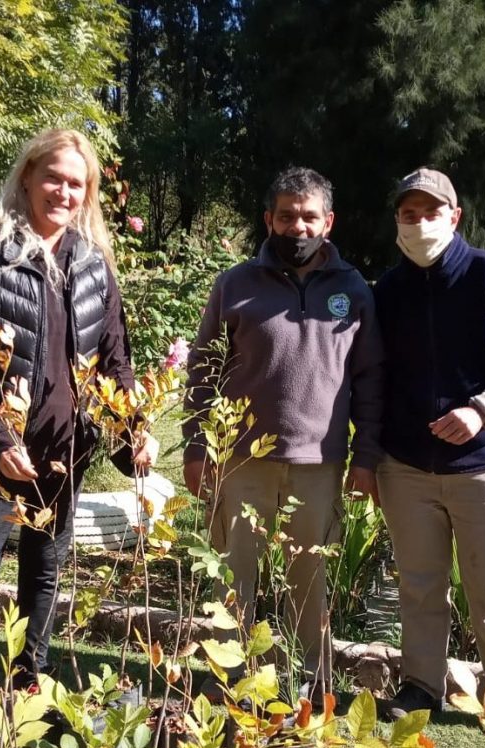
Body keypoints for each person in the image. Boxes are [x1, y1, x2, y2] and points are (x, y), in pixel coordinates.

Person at [0, 127, 151, 695]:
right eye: (53, 178)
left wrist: (134, 431)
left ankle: (31, 680)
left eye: (77, 184)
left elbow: (114, 361)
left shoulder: (93, 262)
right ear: (27, 176)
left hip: (64, 452)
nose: (64, 192)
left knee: (44, 573)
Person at [183, 167, 383, 696]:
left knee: (309, 583)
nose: (299, 227)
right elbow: (203, 368)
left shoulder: (353, 290)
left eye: (309, 217)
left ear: (328, 222)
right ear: (269, 219)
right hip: (241, 460)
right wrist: (197, 446)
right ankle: (229, 681)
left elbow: (369, 380)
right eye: (288, 216)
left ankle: (312, 683)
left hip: (319, 463)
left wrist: (365, 456)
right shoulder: (234, 285)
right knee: (233, 580)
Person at [373, 167, 485, 720]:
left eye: (431, 212)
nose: (419, 223)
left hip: (484, 468)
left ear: (454, 217)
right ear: (397, 221)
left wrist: (484, 408)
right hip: (407, 469)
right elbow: (374, 376)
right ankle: (421, 687)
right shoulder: (388, 291)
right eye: (409, 214)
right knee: (419, 586)